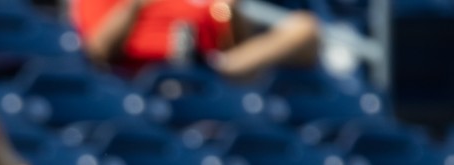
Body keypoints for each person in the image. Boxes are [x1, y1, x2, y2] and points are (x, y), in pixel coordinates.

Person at [71, 0, 321, 81]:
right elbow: (98, 49)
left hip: (209, 65)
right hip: (148, 77)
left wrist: (232, 12)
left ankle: (218, 69)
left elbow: (231, 38)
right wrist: (135, 5)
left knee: (304, 26)